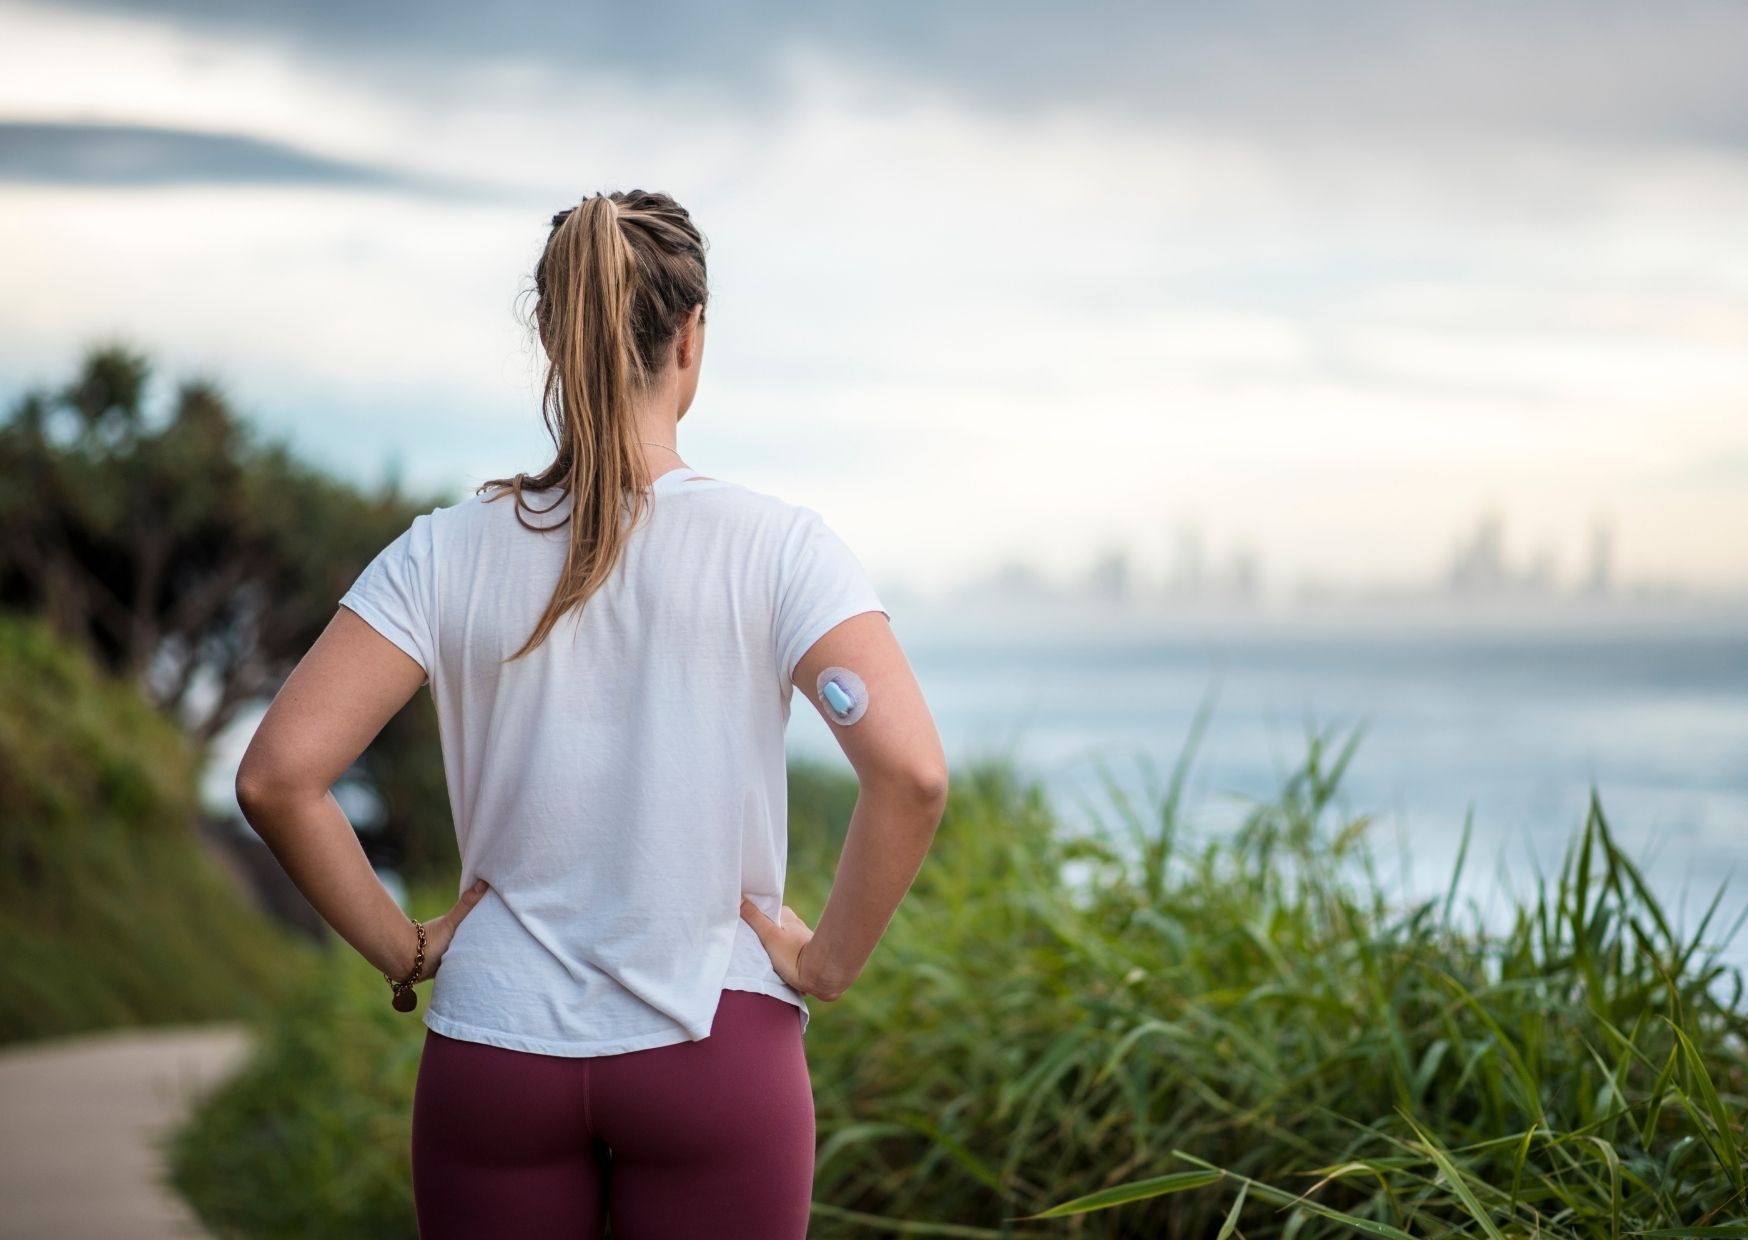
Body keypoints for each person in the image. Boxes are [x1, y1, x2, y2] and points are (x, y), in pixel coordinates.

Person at [235, 188, 950, 1238]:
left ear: (553, 339)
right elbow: (912, 774)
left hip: (496, 1050)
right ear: (690, 339)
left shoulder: (444, 549)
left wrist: (406, 948)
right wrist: (826, 961)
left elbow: (276, 778)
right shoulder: (779, 548)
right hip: (716, 1041)